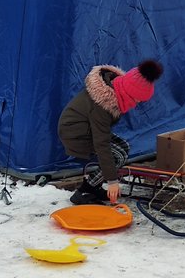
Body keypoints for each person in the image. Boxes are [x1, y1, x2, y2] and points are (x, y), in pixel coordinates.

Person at [58, 60, 163, 205]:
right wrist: (112, 181)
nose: (137, 103)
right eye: (137, 99)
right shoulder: (102, 105)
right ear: (128, 93)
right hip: (75, 134)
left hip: (86, 129)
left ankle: (93, 186)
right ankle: (84, 191)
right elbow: (102, 145)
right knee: (117, 155)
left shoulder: (114, 91)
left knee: (123, 147)